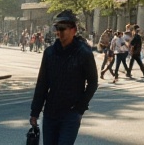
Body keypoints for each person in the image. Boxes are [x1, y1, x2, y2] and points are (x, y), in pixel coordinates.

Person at [30, 11, 98, 145]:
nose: (59, 32)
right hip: (51, 112)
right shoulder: (49, 53)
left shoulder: (84, 53)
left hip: (71, 113)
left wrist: (79, 108)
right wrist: (35, 112)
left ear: (73, 30)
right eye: (57, 29)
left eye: (63, 29)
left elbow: (93, 82)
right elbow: (42, 83)